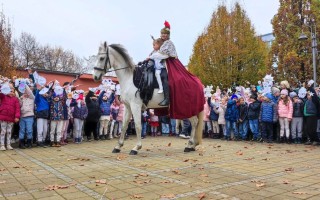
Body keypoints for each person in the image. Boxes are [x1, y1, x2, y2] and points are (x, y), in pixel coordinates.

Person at [156, 21, 204, 118]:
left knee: (170, 79)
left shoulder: (168, 43)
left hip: (170, 63)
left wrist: (155, 54)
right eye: (162, 34)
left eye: (165, 34)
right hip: (162, 62)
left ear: (168, 35)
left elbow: (164, 54)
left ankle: (167, 99)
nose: (163, 35)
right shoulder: (162, 42)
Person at [0, 83, 20, 151]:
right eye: (10, 91)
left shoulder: (15, 99)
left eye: (12, 91)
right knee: (3, 131)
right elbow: (1, 92)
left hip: (11, 118)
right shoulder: (3, 96)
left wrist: (17, 116)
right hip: (3, 117)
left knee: (9, 131)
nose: (11, 93)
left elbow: (17, 109)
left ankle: (8, 144)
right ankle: (2, 145)